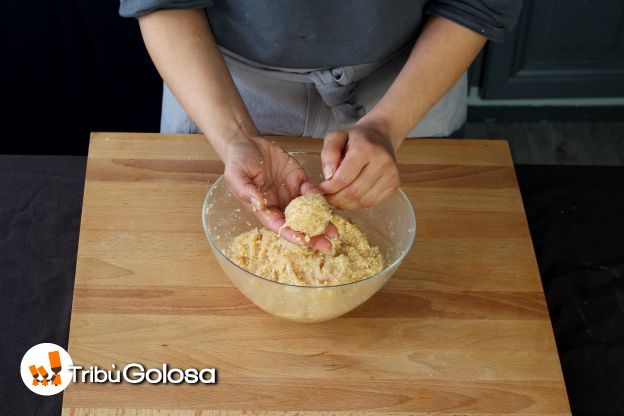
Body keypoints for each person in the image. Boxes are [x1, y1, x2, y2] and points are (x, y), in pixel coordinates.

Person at [121, 0, 522, 251]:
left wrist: (388, 125)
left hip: (411, 78)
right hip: (220, 86)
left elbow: (476, 4)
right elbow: (164, 2)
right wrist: (236, 138)